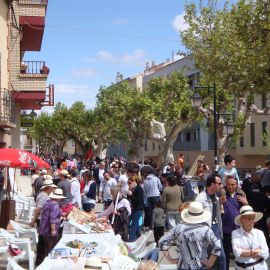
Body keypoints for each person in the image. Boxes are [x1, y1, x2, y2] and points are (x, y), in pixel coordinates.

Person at [159, 201, 221, 270]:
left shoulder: (178, 227)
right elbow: (218, 245)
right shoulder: (205, 229)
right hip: (200, 266)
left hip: (182, 266)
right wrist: (210, 262)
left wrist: (171, 260)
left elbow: (162, 242)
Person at [195, 173, 226, 270]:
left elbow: (218, 214)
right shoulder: (201, 198)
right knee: (206, 257)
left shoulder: (216, 198)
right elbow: (195, 216)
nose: (221, 185)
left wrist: (221, 204)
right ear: (212, 184)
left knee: (221, 256)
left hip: (215, 227)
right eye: (219, 183)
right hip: (205, 229)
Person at [220, 175, 248, 270]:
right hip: (225, 231)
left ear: (236, 185)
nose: (230, 186)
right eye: (228, 184)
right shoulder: (221, 196)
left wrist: (246, 202)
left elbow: (248, 212)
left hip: (238, 231)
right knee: (225, 257)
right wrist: (220, 202)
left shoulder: (240, 196)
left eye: (233, 185)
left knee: (239, 256)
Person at [232, 205, 269, 269]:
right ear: (242, 219)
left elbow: (265, 253)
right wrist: (257, 251)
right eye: (249, 219)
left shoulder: (259, 233)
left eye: (253, 218)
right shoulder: (235, 233)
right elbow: (236, 252)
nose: (252, 221)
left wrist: (245, 252)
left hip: (260, 267)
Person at [36, 188, 66, 266]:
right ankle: (47, 265)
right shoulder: (55, 205)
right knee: (49, 249)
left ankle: (39, 264)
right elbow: (52, 218)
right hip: (48, 230)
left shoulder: (47, 202)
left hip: (43, 229)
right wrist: (53, 230)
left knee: (41, 249)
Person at [127, 175, 144, 241]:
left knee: (134, 223)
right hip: (133, 208)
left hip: (138, 209)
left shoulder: (139, 189)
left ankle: (132, 238)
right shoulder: (132, 188)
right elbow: (129, 199)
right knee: (135, 223)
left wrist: (131, 195)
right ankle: (138, 236)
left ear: (135, 182)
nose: (129, 184)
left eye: (130, 182)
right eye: (128, 183)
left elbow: (138, 201)